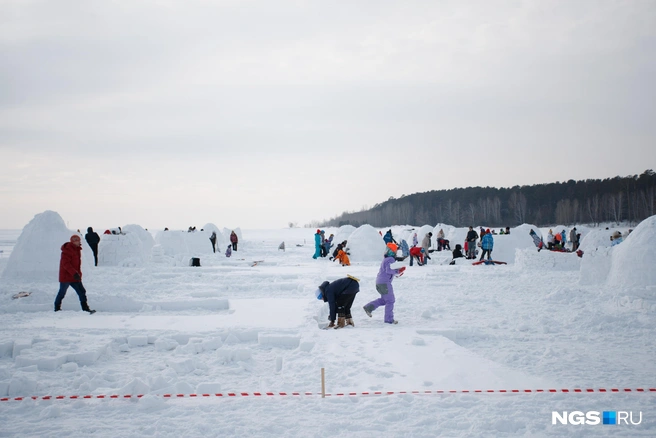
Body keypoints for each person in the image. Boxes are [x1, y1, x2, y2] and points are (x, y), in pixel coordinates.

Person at [363, 247, 405, 324]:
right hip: (385, 283)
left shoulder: (386, 259)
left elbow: (388, 271)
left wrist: (398, 272)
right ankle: (389, 319)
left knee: (384, 300)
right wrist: (398, 270)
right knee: (390, 300)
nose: (396, 253)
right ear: (392, 252)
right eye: (395, 251)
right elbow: (388, 270)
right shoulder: (390, 259)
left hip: (380, 282)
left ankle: (368, 307)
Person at [54, 235, 95, 313]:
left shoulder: (77, 249)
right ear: (72, 242)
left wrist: (77, 274)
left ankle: (85, 308)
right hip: (66, 277)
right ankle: (57, 308)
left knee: (82, 291)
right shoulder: (67, 250)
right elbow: (65, 264)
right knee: (62, 292)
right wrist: (74, 273)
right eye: (76, 240)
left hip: (74, 276)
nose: (78, 242)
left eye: (78, 240)